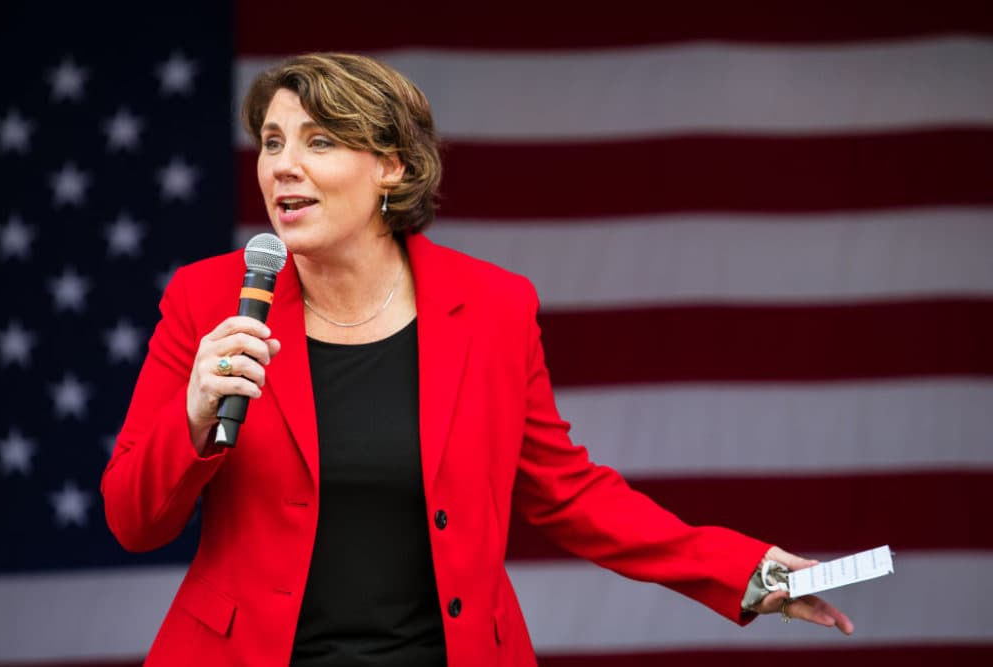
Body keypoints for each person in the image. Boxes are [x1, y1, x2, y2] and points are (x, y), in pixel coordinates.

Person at [101, 53, 853, 667]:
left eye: (319, 141)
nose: (283, 167)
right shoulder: (210, 299)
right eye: (272, 142)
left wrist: (744, 570)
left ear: (391, 168)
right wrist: (195, 417)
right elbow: (133, 518)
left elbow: (569, 493)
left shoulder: (492, 307)